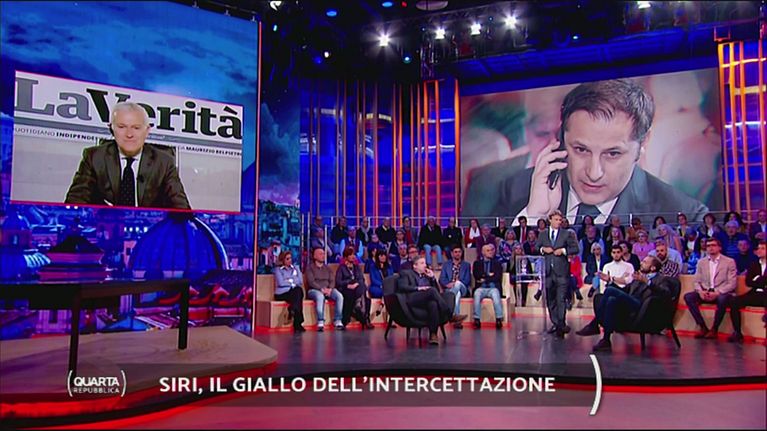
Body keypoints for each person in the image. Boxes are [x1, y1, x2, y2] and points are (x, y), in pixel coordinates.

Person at [493, 80, 708, 223]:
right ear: (561, 140)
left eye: (613, 154)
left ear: (643, 143)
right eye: (581, 150)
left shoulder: (685, 215)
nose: (594, 173)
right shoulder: (516, 191)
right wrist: (533, 217)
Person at [65, 102, 190, 209]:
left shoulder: (164, 162)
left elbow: (181, 208)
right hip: (104, 226)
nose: (129, 134)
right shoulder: (94, 157)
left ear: (147, 131)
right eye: (122, 127)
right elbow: (75, 202)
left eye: (136, 128)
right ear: (111, 129)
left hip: (151, 228)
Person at [576, 256, 674, 352]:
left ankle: (594, 324)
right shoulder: (638, 278)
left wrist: (647, 282)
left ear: (652, 268)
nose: (641, 263)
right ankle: (606, 340)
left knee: (610, 290)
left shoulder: (661, 279)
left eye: (644, 262)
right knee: (611, 300)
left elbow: (666, 293)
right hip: (631, 305)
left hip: (643, 309)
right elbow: (624, 291)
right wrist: (610, 280)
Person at [397, 256, 467, 344]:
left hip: (426, 300)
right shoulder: (406, 273)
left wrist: (433, 278)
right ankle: (449, 315)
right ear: (415, 266)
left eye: (425, 263)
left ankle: (433, 335)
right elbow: (402, 286)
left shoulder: (427, 276)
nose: (425, 265)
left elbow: (437, 292)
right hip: (413, 298)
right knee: (431, 291)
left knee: (433, 303)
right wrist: (418, 288)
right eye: (422, 263)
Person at [534, 210, 580, 338]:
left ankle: (561, 324)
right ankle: (555, 323)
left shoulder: (567, 234)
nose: (558, 222)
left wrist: (563, 250)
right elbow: (536, 247)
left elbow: (575, 248)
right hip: (548, 272)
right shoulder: (543, 234)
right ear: (550, 220)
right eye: (556, 220)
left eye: (560, 220)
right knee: (551, 300)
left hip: (562, 272)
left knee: (561, 299)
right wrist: (543, 249)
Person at [683, 238, 737, 339]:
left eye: (713, 245)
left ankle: (714, 329)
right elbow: (696, 281)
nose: (710, 248)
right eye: (708, 246)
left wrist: (717, 292)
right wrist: (700, 291)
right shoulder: (701, 262)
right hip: (706, 292)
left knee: (722, 299)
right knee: (688, 297)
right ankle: (702, 327)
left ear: (719, 247)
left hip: (721, 293)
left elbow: (732, 284)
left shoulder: (729, 262)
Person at [728, 241, 766, 343]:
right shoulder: (753, 265)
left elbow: (755, 281)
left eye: (763, 248)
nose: (759, 250)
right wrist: (761, 281)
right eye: (758, 248)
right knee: (734, 302)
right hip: (755, 293)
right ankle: (737, 332)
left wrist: (757, 279)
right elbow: (748, 282)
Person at [304, 248, 345, 331]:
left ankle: (337, 320)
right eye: (320, 254)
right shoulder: (310, 268)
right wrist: (321, 289)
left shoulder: (327, 268)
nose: (323, 256)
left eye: (323, 254)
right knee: (320, 296)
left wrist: (330, 289)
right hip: (314, 290)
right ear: (315, 256)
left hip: (328, 289)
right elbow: (311, 282)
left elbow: (332, 280)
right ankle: (320, 321)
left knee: (339, 296)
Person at [335, 248, 373, 329]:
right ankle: (364, 319)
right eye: (351, 255)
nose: (353, 256)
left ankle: (362, 311)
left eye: (354, 254)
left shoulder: (357, 267)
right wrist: (349, 284)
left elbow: (361, 279)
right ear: (346, 257)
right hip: (346, 288)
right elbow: (338, 282)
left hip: (357, 288)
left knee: (366, 298)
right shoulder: (341, 268)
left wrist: (356, 284)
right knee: (354, 296)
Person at [472, 243, 505, 329]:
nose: (490, 252)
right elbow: (476, 275)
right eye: (488, 250)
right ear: (483, 252)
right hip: (481, 287)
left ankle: (499, 319)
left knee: (496, 295)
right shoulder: (477, 263)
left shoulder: (497, 263)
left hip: (493, 287)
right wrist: (489, 275)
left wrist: (484, 278)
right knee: (477, 294)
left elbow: (497, 277)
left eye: (491, 250)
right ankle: (477, 320)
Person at [438, 245, 472, 328]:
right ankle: (457, 320)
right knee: (457, 294)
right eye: (455, 252)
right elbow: (442, 279)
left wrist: (455, 283)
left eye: (459, 252)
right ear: (452, 253)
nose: (457, 254)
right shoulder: (446, 265)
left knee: (458, 284)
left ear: (462, 253)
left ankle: (449, 311)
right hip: (450, 288)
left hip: (463, 288)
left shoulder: (466, 265)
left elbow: (467, 280)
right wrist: (447, 284)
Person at [273, 251, 305, 332]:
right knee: (298, 294)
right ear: (282, 260)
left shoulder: (295, 268)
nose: (290, 260)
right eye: (287, 259)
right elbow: (281, 283)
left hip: (293, 292)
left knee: (298, 291)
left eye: (290, 258)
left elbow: (300, 281)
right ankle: (298, 323)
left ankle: (292, 309)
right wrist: (293, 281)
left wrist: (288, 280)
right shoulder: (278, 270)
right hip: (281, 293)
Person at [508, 243, 534, 307]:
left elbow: (530, 269)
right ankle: (517, 300)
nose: (518, 250)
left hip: (524, 276)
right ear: (514, 250)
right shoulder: (511, 259)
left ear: (522, 250)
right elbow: (508, 270)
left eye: (520, 249)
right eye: (516, 249)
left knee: (523, 282)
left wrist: (532, 278)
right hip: (514, 277)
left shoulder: (525, 259)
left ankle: (523, 300)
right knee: (516, 282)